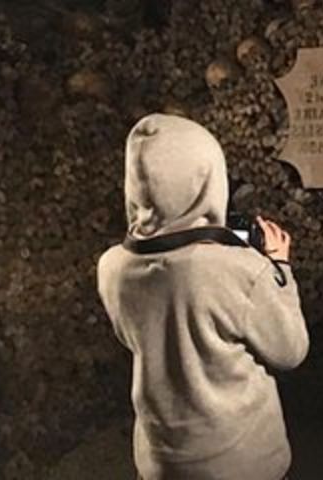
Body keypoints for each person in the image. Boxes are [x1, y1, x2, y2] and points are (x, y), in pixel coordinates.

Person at [97, 113, 309, 480]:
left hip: (161, 460)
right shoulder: (237, 269)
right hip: (242, 461)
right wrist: (279, 269)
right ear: (208, 178)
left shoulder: (112, 266)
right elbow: (291, 351)